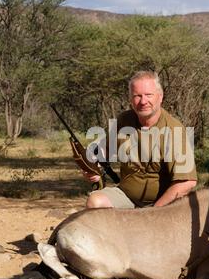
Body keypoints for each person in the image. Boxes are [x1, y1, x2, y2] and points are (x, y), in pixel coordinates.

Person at [83, 71, 197, 208]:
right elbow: (103, 152)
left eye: (149, 95)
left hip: (163, 206)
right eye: (137, 96)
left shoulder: (174, 129)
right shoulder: (123, 120)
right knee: (95, 201)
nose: (143, 101)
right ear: (131, 99)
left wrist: (154, 212)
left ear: (160, 97)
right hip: (127, 197)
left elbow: (187, 182)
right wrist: (93, 168)